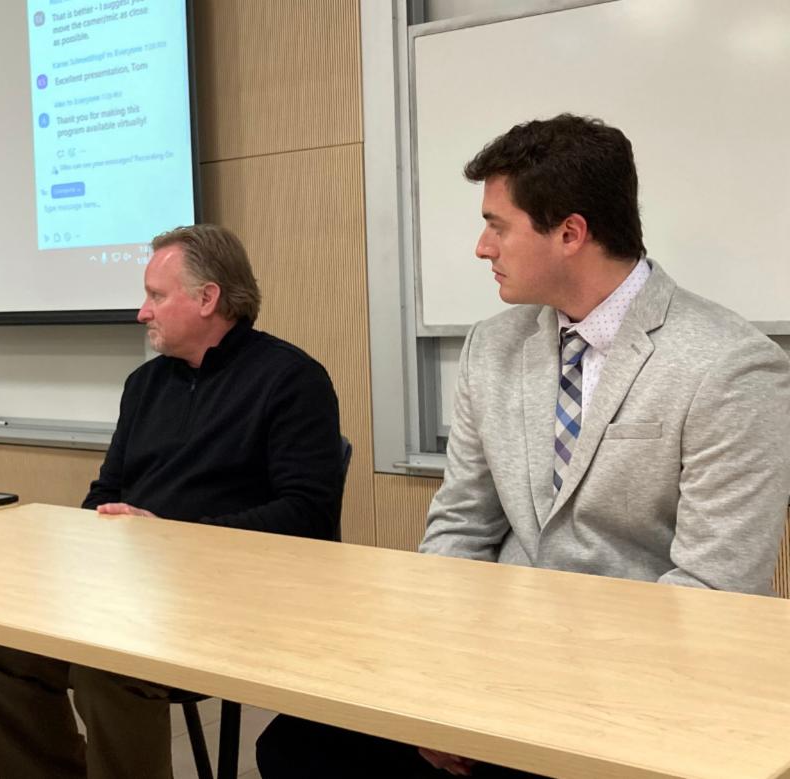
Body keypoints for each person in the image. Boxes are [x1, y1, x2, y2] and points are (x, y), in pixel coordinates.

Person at [256, 114, 790, 777]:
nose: (483, 247)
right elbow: (458, 529)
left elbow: (711, 594)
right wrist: (443, 688)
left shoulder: (729, 366)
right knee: (294, 742)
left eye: (497, 225)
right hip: (494, 667)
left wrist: (526, 705)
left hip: (643, 691)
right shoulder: (494, 347)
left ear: (570, 232)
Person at [0, 223, 346, 779]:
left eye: (156, 296)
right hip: (130, 592)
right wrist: (97, 531)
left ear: (208, 298)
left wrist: (171, 534)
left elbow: (308, 514)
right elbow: (106, 491)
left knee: (108, 665)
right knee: (0, 646)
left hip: (237, 601)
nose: (142, 312)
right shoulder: (144, 385)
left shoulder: (292, 380)